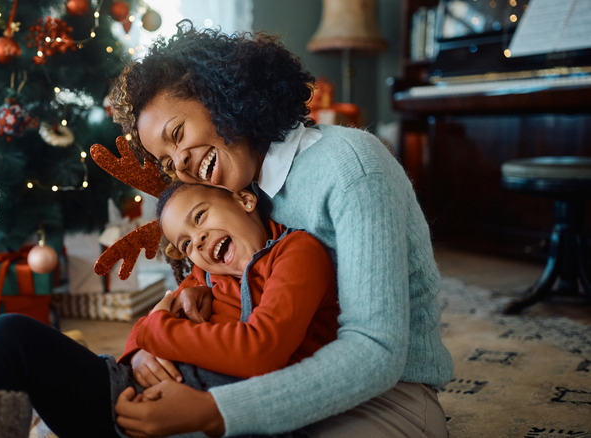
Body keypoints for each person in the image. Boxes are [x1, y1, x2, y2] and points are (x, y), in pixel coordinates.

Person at [109, 20, 453, 438]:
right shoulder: (237, 189)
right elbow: (187, 297)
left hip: (386, 395)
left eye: (177, 135)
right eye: (167, 162)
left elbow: (376, 352)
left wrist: (217, 411)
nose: (179, 164)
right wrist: (143, 351)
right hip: (269, 378)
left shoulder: (351, 168)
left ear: (218, 95)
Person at [0, 179, 339, 437]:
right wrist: (139, 350)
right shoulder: (205, 273)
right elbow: (149, 325)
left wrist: (156, 329)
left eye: (200, 216)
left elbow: (261, 351)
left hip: (218, 417)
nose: (198, 242)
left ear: (245, 199)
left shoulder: (296, 252)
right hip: (129, 397)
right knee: (3, 337)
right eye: (186, 245)